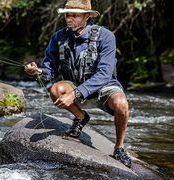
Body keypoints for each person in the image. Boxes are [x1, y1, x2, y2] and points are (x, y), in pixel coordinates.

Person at [24, 0, 132, 168]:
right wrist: (38, 71)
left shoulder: (106, 36)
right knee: (55, 89)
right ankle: (81, 117)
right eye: (67, 15)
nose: (69, 19)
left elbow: (104, 74)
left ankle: (119, 147)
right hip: (75, 84)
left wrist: (74, 94)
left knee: (122, 104)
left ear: (87, 17)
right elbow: (49, 68)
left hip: (104, 87)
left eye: (75, 15)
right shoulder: (58, 37)